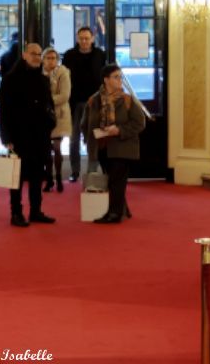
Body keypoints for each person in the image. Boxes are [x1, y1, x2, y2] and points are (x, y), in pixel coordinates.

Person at [0, 43, 56, 227]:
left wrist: (51, 123)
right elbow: (3, 111)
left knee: (37, 176)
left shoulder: (43, 80)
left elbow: (50, 105)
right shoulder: (10, 79)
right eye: (33, 54)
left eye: (39, 55)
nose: (37, 57)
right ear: (24, 55)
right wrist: (6, 138)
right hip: (19, 136)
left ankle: (36, 211)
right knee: (17, 177)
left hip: (40, 136)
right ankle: (16, 213)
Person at [82, 64, 146, 224]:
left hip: (122, 146)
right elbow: (85, 123)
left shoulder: (127, 100)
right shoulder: (94, 100)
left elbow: (140, 123)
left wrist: (119, 130)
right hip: (102, 146)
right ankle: (122, 208)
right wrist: (90, 138)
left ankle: (114, 214)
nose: (120, 80)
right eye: (116, 77)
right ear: (106, 80)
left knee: (117, 180)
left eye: (120, 77)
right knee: (112, 181)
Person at [62, 26, 106, 183]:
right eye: (81, 38)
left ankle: (92, 171)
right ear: (77, 38)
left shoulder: (100, 55)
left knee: (93, 138)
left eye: (87, 38)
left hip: (94, 103)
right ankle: (75, 171)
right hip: (74, 103)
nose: (84, 41)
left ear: (92, 38)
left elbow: (104, 79)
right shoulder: (69, 55)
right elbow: (64, 79)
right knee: (73, 139)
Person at [41, 47, 71, 193]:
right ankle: (49, 179)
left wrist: (46, 101)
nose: (51, 61)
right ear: (43, 60)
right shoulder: (38, 74)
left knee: (57, 148)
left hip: (59, 115)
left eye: (54, 58)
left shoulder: (63, 73)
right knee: (46, 150)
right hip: (42, 116)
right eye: (48, 58)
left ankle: (58, 177)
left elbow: (64, 95)